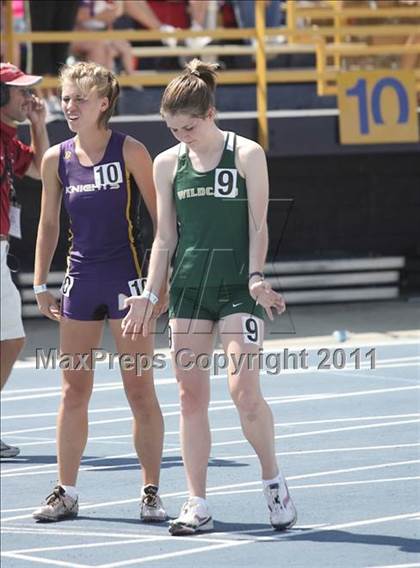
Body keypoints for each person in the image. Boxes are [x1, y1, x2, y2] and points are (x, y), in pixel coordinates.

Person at [121, 59, 297, 535]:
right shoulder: (166, 164)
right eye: (173, 128)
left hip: (240, 288)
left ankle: (272, 479)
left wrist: (257, 276)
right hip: (190, 291)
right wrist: (149, 293)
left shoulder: (246, 154)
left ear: (211, 112)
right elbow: (163, 239)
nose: (182, 136)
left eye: (190, 126)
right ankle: (196, 501)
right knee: (189, 396)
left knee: (244, 393)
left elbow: (258, 224)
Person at [32, 61, 166, 523]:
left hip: (128, 284)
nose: (69, 106)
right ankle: (65, 490)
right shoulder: (56, 159)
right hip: (80, 283)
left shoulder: (130, 151)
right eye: (66, 98)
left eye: (79, 99)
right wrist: (40, 285)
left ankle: (151, 490)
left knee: (140, 391)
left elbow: (162, 221)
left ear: (103, 104)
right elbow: (49, 225)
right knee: (73, 391)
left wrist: (156, 286)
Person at [0, 62, 49, 458]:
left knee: (11, 338)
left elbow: (42, 170)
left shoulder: (8, 138)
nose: (27, 97)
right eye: (20, 92)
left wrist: (37, 122)